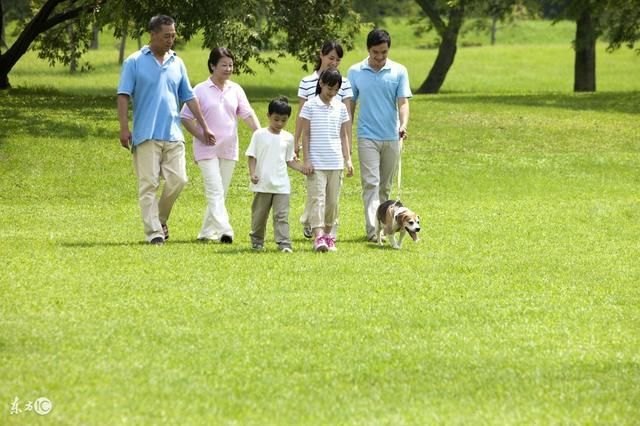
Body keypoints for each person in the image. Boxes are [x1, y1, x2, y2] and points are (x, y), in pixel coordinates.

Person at [117, 14, 215, 245]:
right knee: (148, 184)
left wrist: (204, 125)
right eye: (166, 36)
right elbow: (123, 95)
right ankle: (154, 234)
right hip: (145, 134)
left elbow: (189, 97)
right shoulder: (134, 61)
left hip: (173, 133)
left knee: (179, 180)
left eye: (173, 35)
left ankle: (159, 218)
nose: (171, 40)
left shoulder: (177, 62)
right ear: (152, 35)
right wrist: (124, 128)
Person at [181, 47, 260, 243]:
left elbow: (247, 113)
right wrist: (201, 135)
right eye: (223, 65)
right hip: (205, 149)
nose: (228, 69)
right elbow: (185, 117)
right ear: (212, 66)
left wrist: (260, 133)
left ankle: (206, 233)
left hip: (229, 148)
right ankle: (225, 230)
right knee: (214, 189)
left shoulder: (236, 89)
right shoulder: (199, 90)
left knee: (220, 192)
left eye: (231, 65)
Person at [347, 29, 412, 242]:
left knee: (385, 187)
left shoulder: (399, 71)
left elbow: (403, 102)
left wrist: (403, 125)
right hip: (367, 136)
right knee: (371, 184)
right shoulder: (355, 71)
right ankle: (372, 232)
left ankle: (385, 226)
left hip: (392, 136)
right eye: (375, 52)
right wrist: (347, 131)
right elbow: (350, 105)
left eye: (383, 52)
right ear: (368, 50)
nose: (379, 57)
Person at [294, 40, 353, 240]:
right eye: (331, 58)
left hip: (334, 154)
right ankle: (318, 231)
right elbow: (302, 121)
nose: (334, 62)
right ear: (321, 55)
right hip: (316, 151)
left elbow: (344, 127)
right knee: (317, 195)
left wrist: (348, 156)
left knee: (331, 200)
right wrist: (298, 144)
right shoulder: (308, 87)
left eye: (338, 59)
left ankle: (326, 231)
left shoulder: (341, 94)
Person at [246, 97, 306, 252]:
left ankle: (284, 243)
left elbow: (289, 160)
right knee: (259, 215)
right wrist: (252, 173)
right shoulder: (259, 135)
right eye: (276, 119)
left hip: (281, 185)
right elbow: (252, 156)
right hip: (263, 183)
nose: (279, 123)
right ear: (268, 116)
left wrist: (302, 168)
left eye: (283, 120)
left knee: (281, 216)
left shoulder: (288, 138)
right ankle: (257, 241)